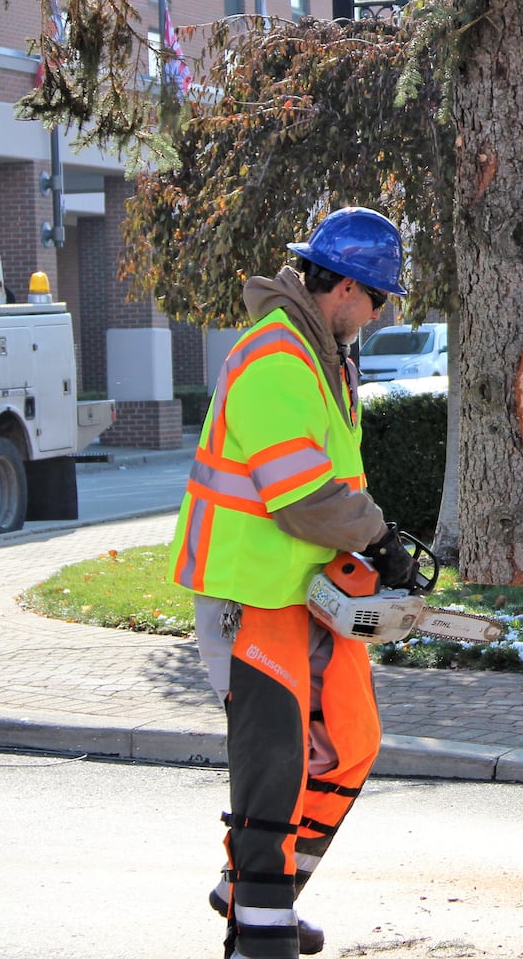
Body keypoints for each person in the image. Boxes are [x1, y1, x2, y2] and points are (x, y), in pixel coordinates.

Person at [168, 207, 420, 959]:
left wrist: (372, 545)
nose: (377, 314)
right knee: (273, 758)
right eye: (377, 299)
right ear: (344, 287)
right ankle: (260, 929)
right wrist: (377, 537)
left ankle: (253, 890)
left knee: (348, 742)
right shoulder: (276, 359)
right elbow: (302, 494)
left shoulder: (317, 355)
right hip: (249, 590)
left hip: (304, 589)